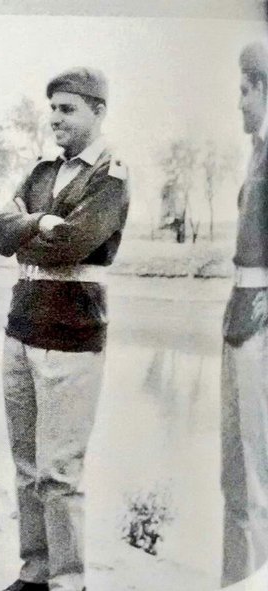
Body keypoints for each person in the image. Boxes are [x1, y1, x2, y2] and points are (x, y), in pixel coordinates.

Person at [0, 67, 130, 591]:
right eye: (52, 109)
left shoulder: (111, 176)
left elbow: (74, 245)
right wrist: (39, 225)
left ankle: (69, 583)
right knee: (26, 467)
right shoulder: (40, 171)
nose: (55, 119)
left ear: (97, 111)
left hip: (74, 333)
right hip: (20, 327)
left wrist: (29, 228)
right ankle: (35, 574)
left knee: (60, 472)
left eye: (67, 109)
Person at [221, 41, 268, 588]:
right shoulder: (256, 152)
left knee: (257, 481)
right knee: (234, 479)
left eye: (244, 92)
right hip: (238, 318)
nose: (238, 103)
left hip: (260, 321)